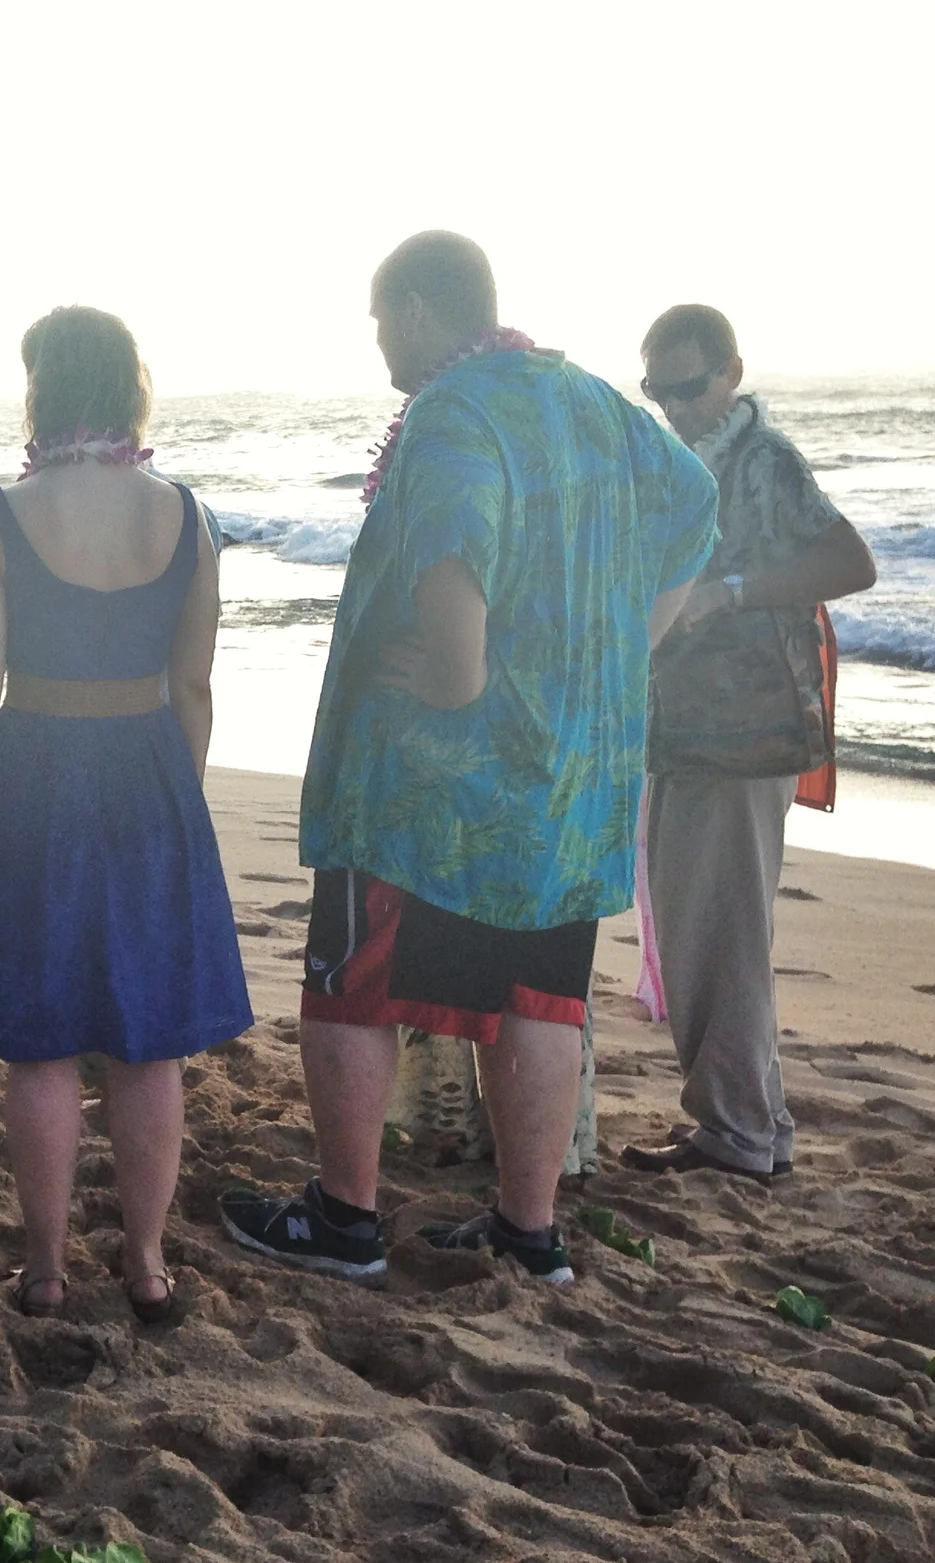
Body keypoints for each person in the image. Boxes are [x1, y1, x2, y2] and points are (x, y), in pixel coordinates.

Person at [225, 232, 716, 1286]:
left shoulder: (455, 409)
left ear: (415, 308)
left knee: (354, 987)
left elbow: (455, 537)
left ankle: (346, 1217)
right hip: (563, 782)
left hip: (433, 789)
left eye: (378, 320)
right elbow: (694, 503)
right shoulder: (589, 400)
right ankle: (527, 1232)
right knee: (539, 996)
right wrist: (620, 653)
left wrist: (457, 675)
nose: (377, 343)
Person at [0, 306, 252, 1324]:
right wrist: (179, 800)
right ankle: (148, 1262)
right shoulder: (187, 514)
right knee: (146, 1044)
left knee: (41, 1043)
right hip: (146, 768)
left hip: (34, 767)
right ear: (130, 388)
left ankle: (44, 1268)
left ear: (43, 390)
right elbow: (193, 685)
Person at [621, 303, 875, 1181]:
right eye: (657, 391)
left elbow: (851, 562)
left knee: (718, 935)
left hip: (745, 731)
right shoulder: (690, 462)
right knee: (702, 931)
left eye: (689, 388)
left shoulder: (762, 460)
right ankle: (753, 1124)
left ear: (731, 372)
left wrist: (727, 591)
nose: (674, 407)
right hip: (689, 730)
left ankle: (737, 1132)